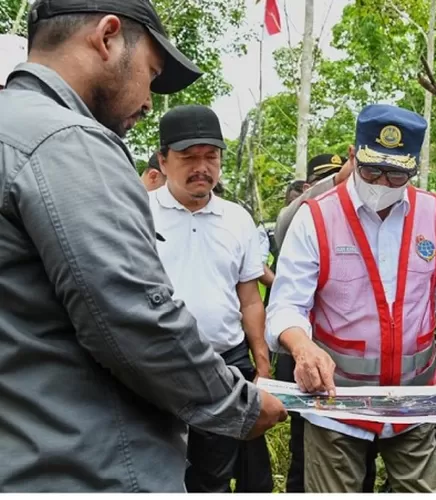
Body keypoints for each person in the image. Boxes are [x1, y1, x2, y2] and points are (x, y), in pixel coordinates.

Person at [0, 0, 286, 492]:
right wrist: (237, 405)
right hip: (91, 466)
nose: (150, 100)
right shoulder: (68, 142)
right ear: (108, 36)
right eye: (151, 74)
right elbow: (133, 316)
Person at [266, 104, 436, 493]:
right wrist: (302, 348)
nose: (382, 183)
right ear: (354, 155)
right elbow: (286, 304)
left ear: (413, 170)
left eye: (396, 174)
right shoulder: (316, 217)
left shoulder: (434, 215)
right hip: (336, 405)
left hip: (414, 400)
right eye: (371, 170)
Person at [149, 104, 274, 493]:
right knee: (156, 468)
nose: (202, 167)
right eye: (189, 157)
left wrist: (264, 369)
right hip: (155, 366)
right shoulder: (139, 213)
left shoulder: (237, 219)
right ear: (164, 159)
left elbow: (250, 299)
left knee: (215, 473)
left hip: (225, 366)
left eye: (211, 157)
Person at [273, 153, 379, 494]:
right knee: (307, 450)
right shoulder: (305, 216)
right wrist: (334, 182)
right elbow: (283, 225)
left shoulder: (366, 217)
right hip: (305, 349)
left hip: (356, 368)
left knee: (361, 456)